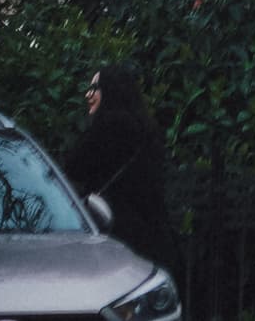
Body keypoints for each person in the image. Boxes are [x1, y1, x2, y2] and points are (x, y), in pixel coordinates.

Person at [69, 62, 185, 283]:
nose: (88, 94)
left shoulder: (107, 127)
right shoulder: (147, 130)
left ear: (110, 90)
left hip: (116, 237)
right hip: (153, 240)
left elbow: (74, 166)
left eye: (94, 88)